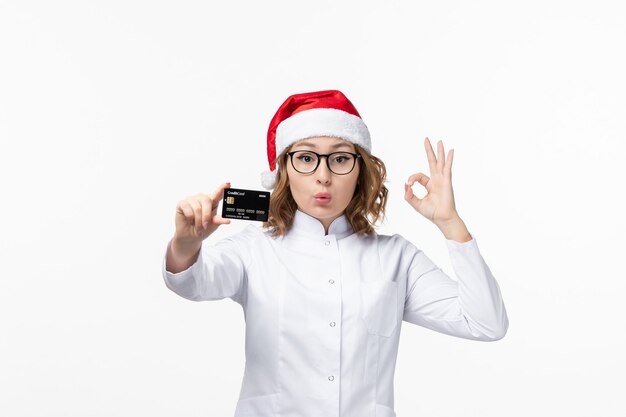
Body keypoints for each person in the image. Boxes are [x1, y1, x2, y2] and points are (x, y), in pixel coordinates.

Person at [162, 90, 509, 417]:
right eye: (306, 158)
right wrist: (187, 242)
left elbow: (486, 322)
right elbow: (191, 282)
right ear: (284, 171)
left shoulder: (396, 259)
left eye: (340, 158)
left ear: (361, 172)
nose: (323, 176)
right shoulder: (254, 249)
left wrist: (450, 224)